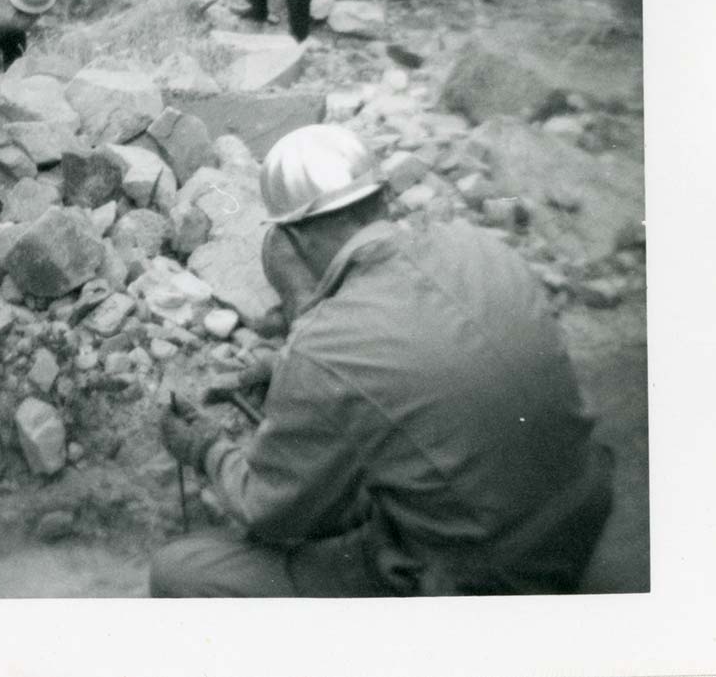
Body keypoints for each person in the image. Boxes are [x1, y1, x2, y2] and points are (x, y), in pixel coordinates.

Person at [152, 124, 614, 598]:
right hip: (587, 508)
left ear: (293, 238)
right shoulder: (477, 244)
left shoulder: (325, 343)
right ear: (381, 197)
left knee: (182, 571)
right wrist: (287, 370)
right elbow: (429, 356)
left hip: (496, 574)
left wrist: (206, 447)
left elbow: (271, 514)